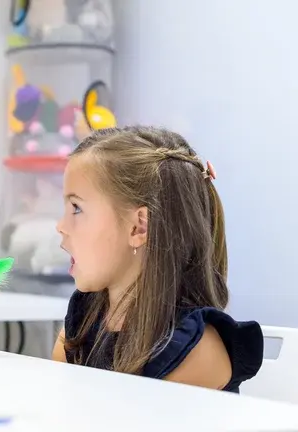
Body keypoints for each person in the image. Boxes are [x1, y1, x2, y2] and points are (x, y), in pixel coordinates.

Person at [51, 126, 263, 392]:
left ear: (138, 227)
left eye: (77, 208)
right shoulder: (84, 319)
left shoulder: (195, 349)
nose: (60, 225)